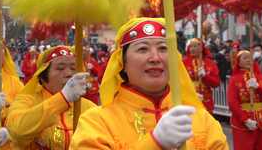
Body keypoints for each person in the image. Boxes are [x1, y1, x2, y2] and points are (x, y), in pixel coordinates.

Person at [71, 17, 228, 149]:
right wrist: (155, 143)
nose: (155, 58)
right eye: (143, 49)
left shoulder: (202, 120)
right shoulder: (97, 122)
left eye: (163, 48)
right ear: (122, 63)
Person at [7, 45, 95, 149]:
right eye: (60, 68)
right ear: (43, 76)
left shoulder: (89, 108)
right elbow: (16, 131)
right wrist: (63, 98)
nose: (69, 73)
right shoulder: (27, 100)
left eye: (73, 68)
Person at [228, 50, 262, 150]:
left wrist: (258, 87)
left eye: (250, 58)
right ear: (238, 61)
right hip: (243, 121)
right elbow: (232, 102)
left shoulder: (260, 77)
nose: (248, 60)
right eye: (244, 58)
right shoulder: (235, 79)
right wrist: (245, 119)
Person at [182, 38, 220, 113]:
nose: (192, 49)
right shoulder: (183, 63)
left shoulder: (210, 63)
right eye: (191, 46)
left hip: (206, 100)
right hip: (189, 100)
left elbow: (216, 83)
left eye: (195, 46)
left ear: (201, 48)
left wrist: (205, 76)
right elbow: (179, 82)